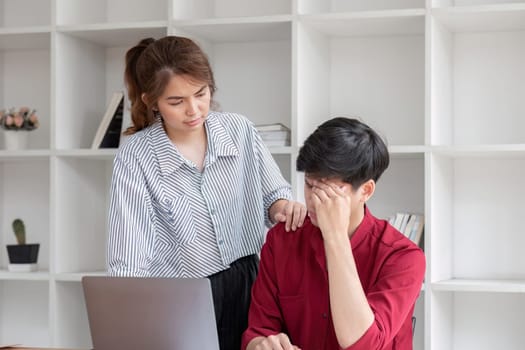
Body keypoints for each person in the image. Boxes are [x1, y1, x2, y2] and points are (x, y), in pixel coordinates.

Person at [107, 36, 306, 350]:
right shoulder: (136, 156)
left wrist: (282, 206)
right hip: (182, 296)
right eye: (176, 101)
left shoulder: (239, 130)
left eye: (201, 93)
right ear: (151, 100)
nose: (193, 109)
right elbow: (129, 260)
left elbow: (273, 195)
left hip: (249, 283)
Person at [242, 117, 426, 350]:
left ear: (365, 191)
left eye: (328, 190)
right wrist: (261, 345)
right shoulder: (283, 239)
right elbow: (258, 331)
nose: (314, 199)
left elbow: (365, 344)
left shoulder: (403, 258)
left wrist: (335, 236)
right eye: (309, 184)